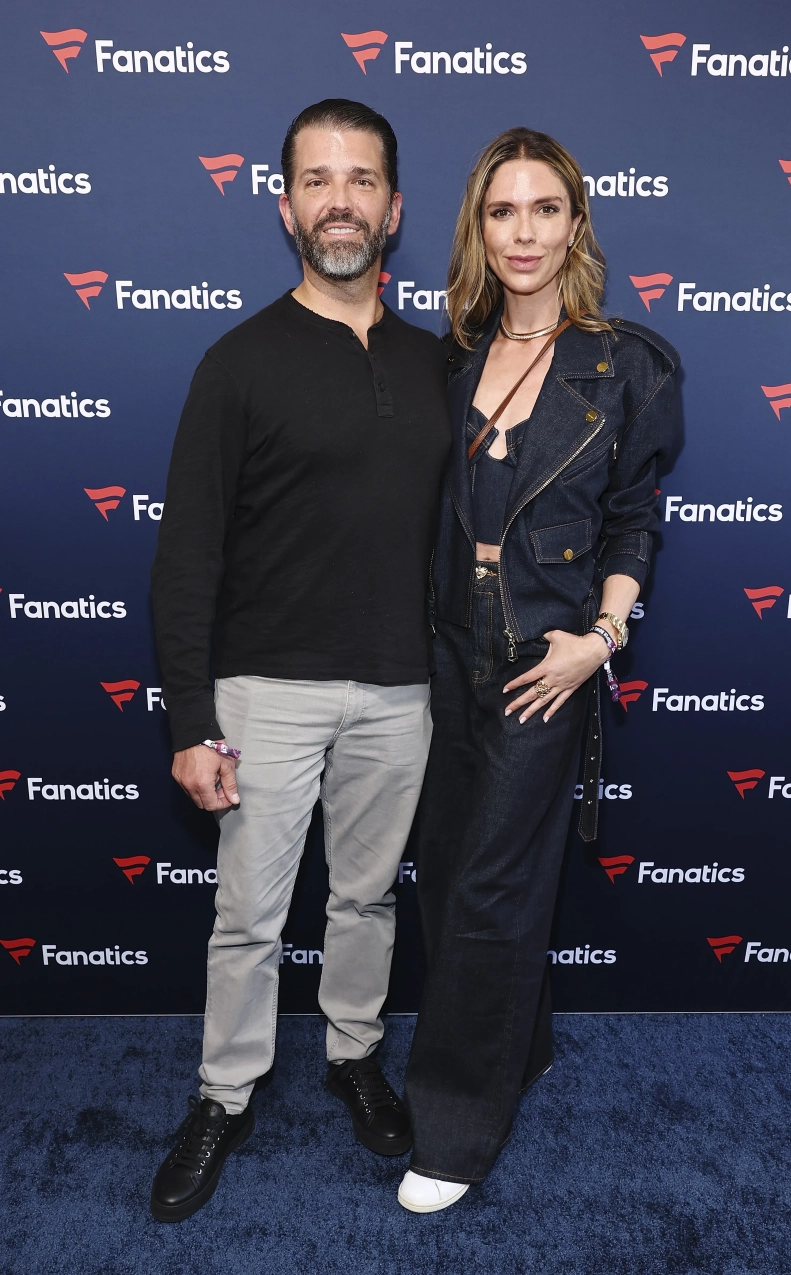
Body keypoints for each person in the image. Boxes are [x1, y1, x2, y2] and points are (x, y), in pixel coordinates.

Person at [148, 98, 451, 1223]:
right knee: (249, 917)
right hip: (264, 688)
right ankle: (224, 1094)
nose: (340, 201)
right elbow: (187, 554)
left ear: (394, 208)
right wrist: (191, 719)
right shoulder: (236, 362)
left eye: (361, 180)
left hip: (401, 687)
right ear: (286, 209)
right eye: (317, 180)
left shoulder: (438, 364)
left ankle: (353, 1054)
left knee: (367, 899)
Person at [398, 128, 681, 1213]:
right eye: (501, 210)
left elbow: (633, 522)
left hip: (543, 654)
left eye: (544, 209)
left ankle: (454, 1128)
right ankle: (521, 1046)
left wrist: (599, 641)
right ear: (478, 227)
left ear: (575, 225)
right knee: (447, 872)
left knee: (493, 886)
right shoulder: (449, 361)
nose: (523, 232)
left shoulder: (627, 363)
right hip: (443, 645)